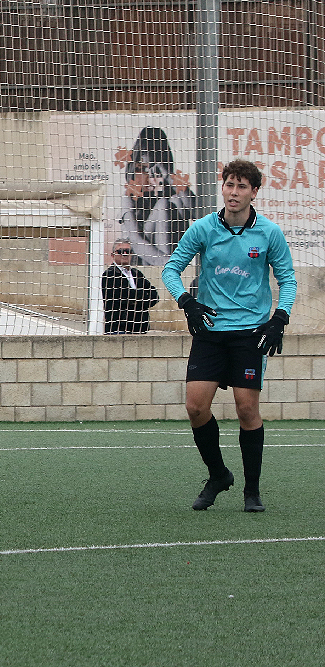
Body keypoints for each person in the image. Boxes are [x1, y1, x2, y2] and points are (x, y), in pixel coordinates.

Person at [162, 159, 296, 513]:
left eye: (241, 187)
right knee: (194, 407)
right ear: (222, 187)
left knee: (247, 409)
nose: (233, 192)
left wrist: (279, 318)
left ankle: (251, 491)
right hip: (209, 332)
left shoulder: (269, 233)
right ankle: (219, 475)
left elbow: (288, 280)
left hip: (250, 334)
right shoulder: (204, 228)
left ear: (254, 192)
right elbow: (171, 269)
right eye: (229, 185)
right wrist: (187, 302)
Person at [119, 127, 196, 265]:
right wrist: (170, 263)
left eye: (156, 169)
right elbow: (136, 242)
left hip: (170, 257)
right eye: (143, 169)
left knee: (175, 200)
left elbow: (198, 212)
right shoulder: (131, 195)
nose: (150, 175)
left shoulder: (167, 189)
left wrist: (168, 175)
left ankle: (171, 269)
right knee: (163, 205)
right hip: (143, 260)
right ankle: (169, 270)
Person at [101, 237, 160, 334]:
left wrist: (134, 299)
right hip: (119, 329)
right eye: (120, 251)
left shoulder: (137, 274)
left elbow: (154, 296)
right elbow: (123, 297)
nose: (125, 254)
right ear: (113, 255)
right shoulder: (109, 274)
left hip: (140, 328)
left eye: (127, 251)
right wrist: (142, 297)